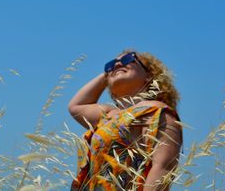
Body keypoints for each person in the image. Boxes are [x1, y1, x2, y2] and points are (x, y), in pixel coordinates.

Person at [68, 50, 183, 191]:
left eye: (129, 59)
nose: (117, 63)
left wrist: (115, 69)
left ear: (149, 75)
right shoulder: (109, 115)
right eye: (111, 64)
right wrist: (111, 72)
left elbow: (163, 168)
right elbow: (76, 106)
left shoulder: (158, 111)